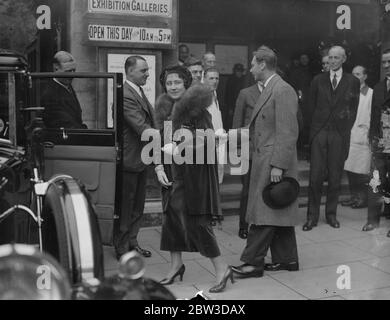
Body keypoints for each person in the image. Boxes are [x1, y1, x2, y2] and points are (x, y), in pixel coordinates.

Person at [154, 68, 233, 293]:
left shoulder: (198, 110)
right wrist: (158, 165)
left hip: (196, 174)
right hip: (173, 172)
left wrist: (180, 147)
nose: (173, 86)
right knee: (171, 218)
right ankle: (176, 265)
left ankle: (221, 268)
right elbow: (159, 140)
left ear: (186, 84)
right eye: (169, 83)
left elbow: (208, 142)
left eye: (178, 82)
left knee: (199, 222)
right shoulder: (164, 107)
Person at [231, 45, 301, 278]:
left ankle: (252, 263)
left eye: (253, 64)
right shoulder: (273, 88)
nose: (250, 69)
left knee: (263, 212)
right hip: (267, 158)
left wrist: (279, 165)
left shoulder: (282, 90)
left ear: (262, 64)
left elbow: (288, 131)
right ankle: (287, 259)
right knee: (276, 210)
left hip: (273, 161)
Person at [303, 46, 360, 231]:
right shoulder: (318, 80)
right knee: (315, 177)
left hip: (339, 134)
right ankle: (312, 217)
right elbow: (309, 107)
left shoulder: (352, 81)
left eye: (336, 58)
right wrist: (313, 132)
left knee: (335, 177)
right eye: (331, 57)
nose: (333, 61)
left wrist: (344, 131)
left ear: (343, 59)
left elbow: (353, 109)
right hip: (319, 132)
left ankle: (331, 215)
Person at [113, 56, 156, 259]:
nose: (147, 73)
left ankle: (132, 241)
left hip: (140, 158)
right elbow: (141, 127)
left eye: (147, 70)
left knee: (138, 205)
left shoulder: (137, 91)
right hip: (130, 159)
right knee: (127, 205)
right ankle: (122, 247)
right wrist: (165, 139)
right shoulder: (126, 94)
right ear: (130, 71)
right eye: (143, 70)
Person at [363, 48, 390, 235]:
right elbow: (373, 117)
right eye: (384, 63)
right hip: (380, 144)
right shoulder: (379, 88)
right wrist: (372, 139)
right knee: (375, 181)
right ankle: (372, 220)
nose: (386, 66)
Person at [232, 80, 262, 239]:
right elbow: (237, 122)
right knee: (248, 190)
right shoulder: (246, 93)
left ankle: (261, 224)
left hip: (267, 149)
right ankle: (243, 225)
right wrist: (237, 148)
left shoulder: (277, 91)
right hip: (248, 149)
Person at [342, 66, 372, 209]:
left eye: (358, 74)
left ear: (365, 76)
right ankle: (353, 196)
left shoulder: (371, 94)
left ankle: (362, 198)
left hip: (362, 136)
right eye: (353, 74)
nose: (355, 77)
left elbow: (374, 116)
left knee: (361, 171)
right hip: (349, 135)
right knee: (349, 169)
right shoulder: (348, 93)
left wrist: (367, 132)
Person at [42, 51, 87, 129]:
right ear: (56, 69)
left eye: (74, 70)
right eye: (68, 71)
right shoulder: (50, 95)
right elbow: (64, 123)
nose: (72, 75)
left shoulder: (67, 86)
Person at [224, 63, 247, 131]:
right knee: (231, 122)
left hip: (242, 105)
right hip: (232, 106)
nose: (239, 73)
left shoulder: (244, 80)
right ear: (235, 71)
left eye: (241, 71)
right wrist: (230, 108)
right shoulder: (231, 80)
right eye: (238, 71)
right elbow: (228, 95)